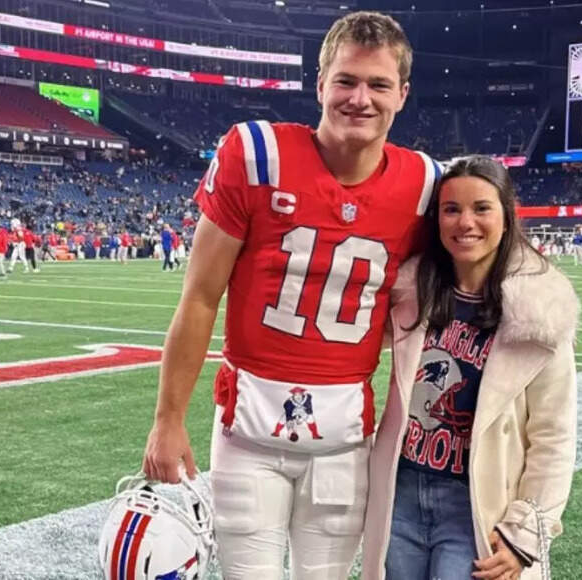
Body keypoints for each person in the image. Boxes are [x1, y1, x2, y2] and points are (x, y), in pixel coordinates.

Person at [142, 11, 441, 580]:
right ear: (320, 83)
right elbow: (201, 296)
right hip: (248, 432)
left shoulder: (425, 184)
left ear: (402, 95)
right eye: (346, 80)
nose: (360, 98)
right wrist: (168, 418)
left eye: (378, 84)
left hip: (344, 439)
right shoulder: (256, 155)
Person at [362, 156, 579, 580]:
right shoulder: (413, 291)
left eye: (482, 208)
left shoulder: (541, 308)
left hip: (477, 502)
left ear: (505, 214)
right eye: (451, 209)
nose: (466, 222)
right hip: (401, 491)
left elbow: (554, 434)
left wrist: (526, 533)